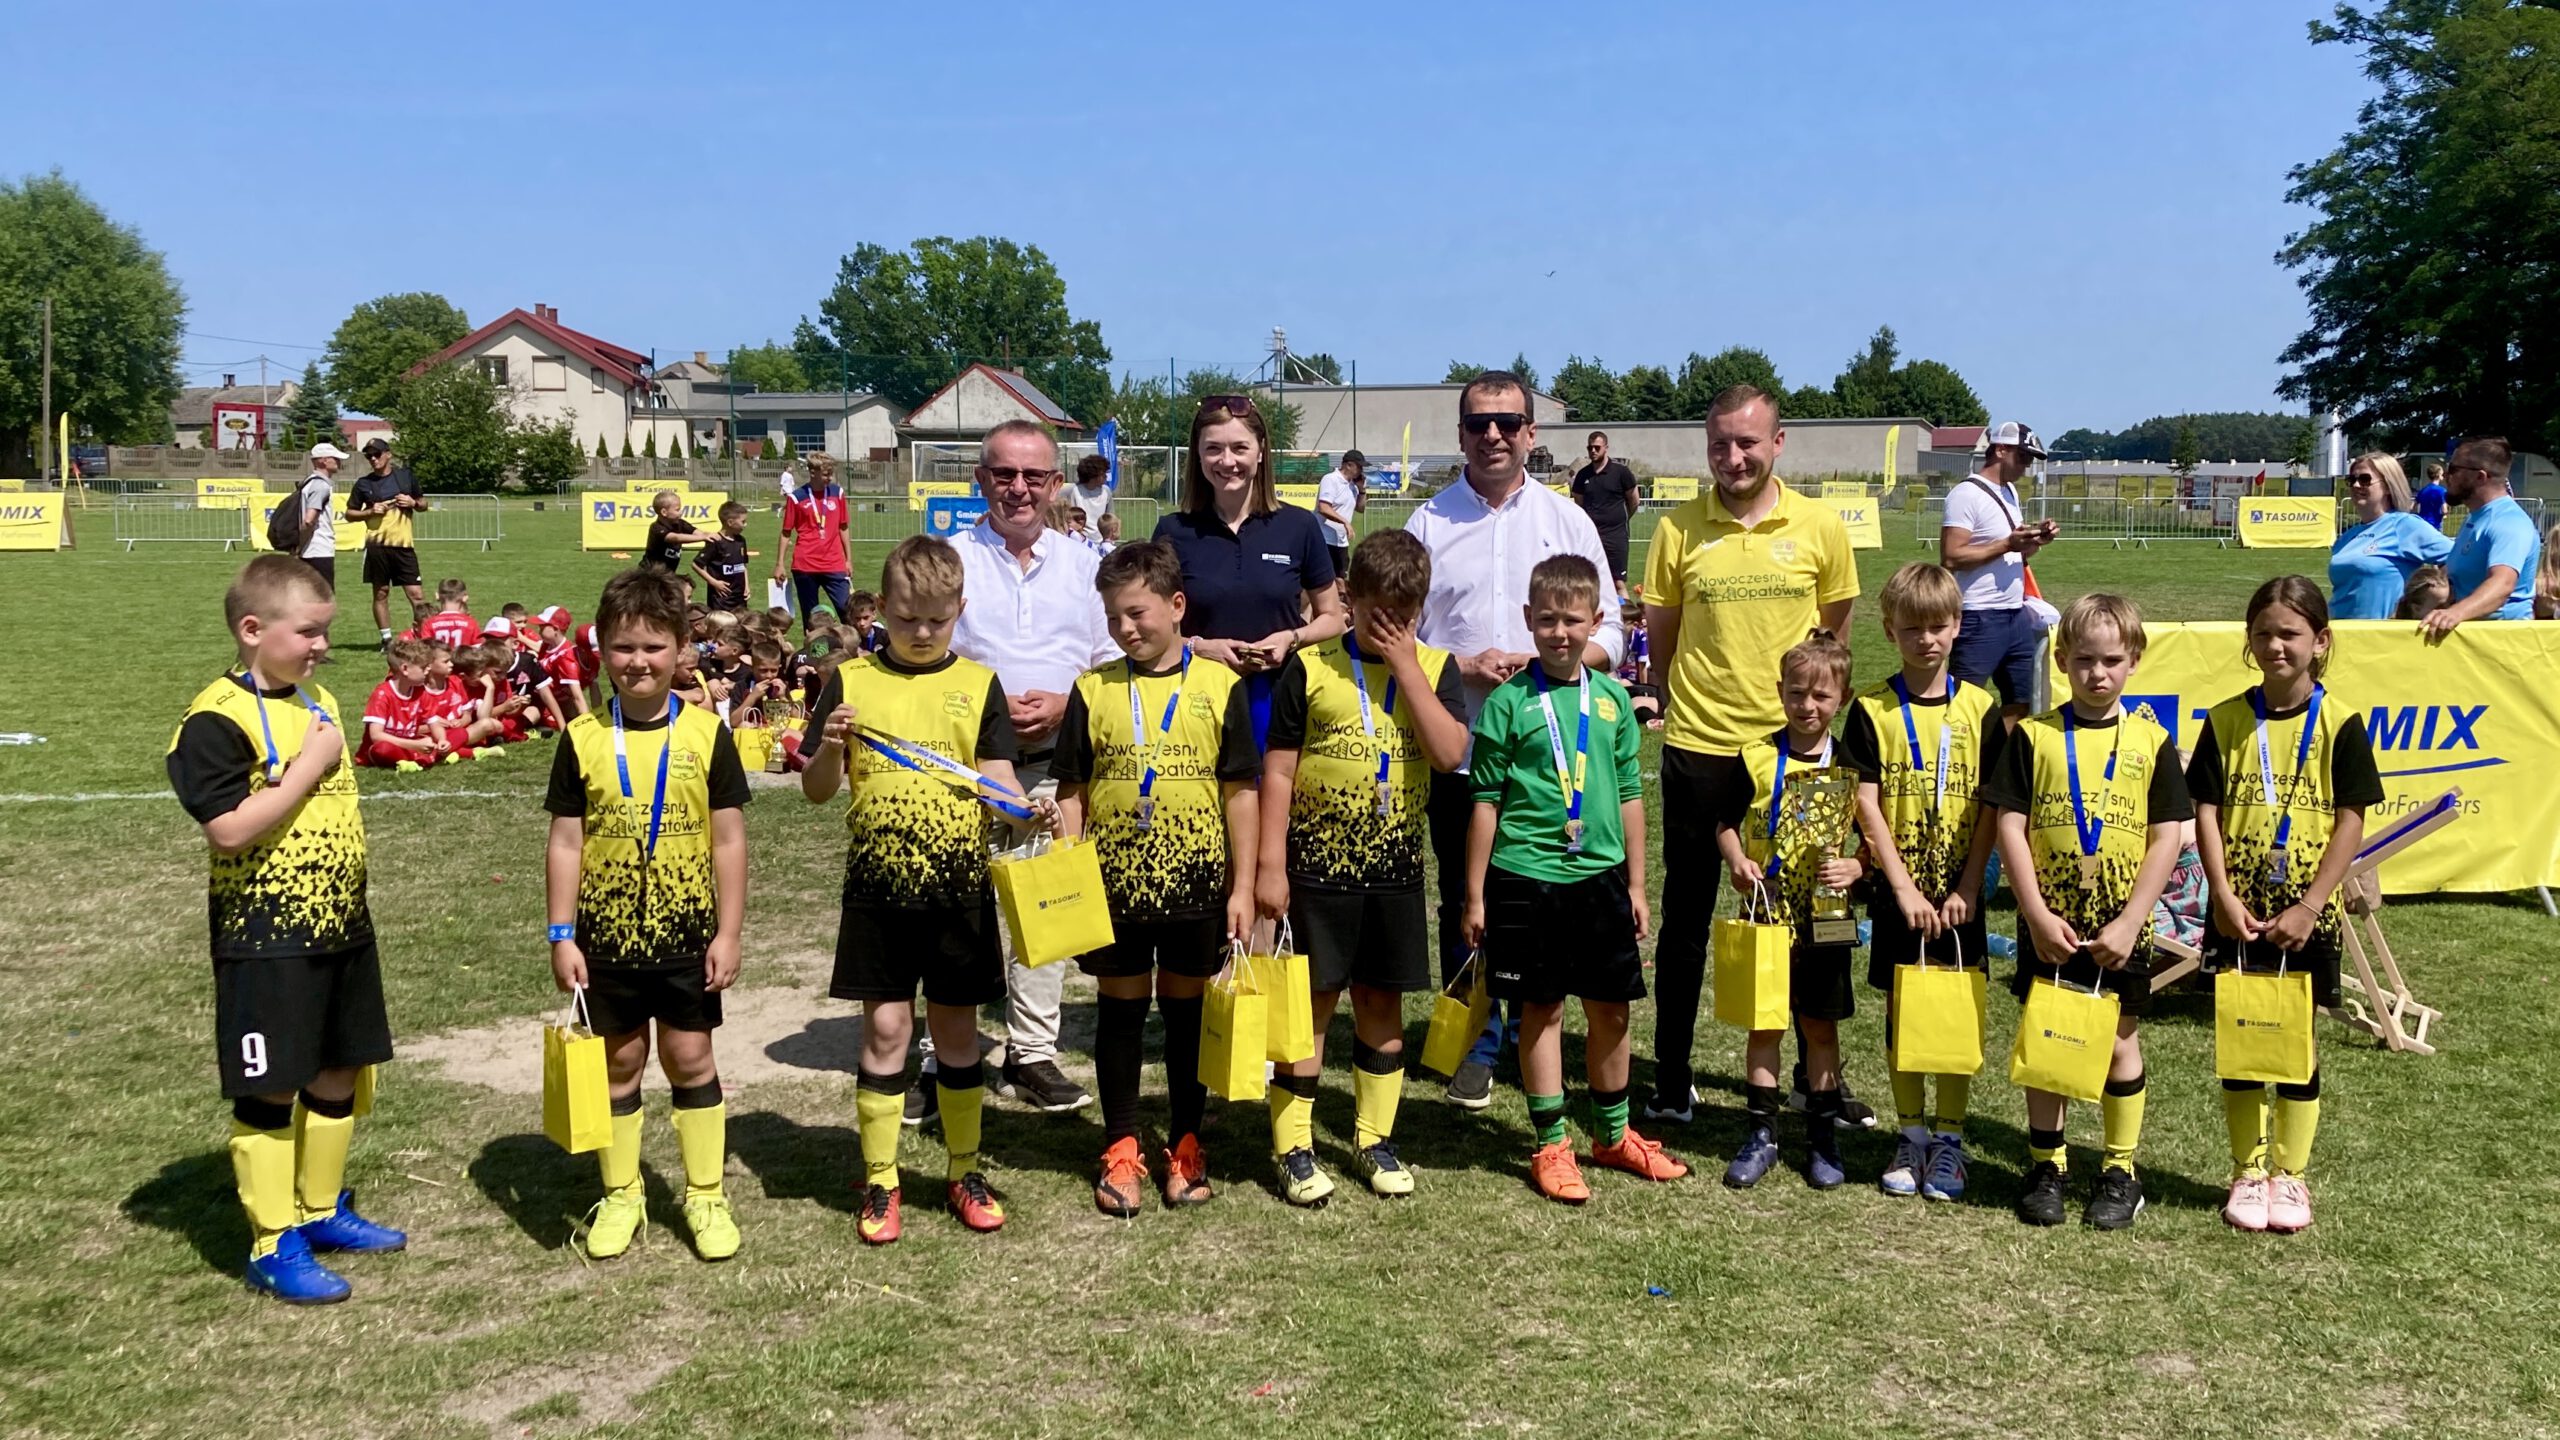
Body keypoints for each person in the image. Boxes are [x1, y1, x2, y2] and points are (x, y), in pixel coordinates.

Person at [165, 555, 404, 1304]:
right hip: (265, 936)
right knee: (271, 1088)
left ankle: (320, 1208)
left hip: (341, 924)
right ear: (251, 629)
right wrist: (307, 767)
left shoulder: (315, 698)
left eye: (325, 632)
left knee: (339, 1070)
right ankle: (273, 1242)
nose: (321, 647)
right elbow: (229, 829)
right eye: (308, 633)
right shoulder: (214, 719)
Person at [801, 535, 1053, 1245]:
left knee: (957, 1033)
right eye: (907, 618)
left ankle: (964, 1169)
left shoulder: (978, 683)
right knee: (886, 1031)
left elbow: (996, 780)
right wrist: (830, 745)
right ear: (881, 607)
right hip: (878, 893)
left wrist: (1028, 810)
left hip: (956, 894)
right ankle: (882, 1179)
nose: (920, 632)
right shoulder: (850, 681)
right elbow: (816, 791)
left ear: (959, 611)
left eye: (937, 621)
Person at [1405, 370, 1624, 1110]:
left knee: (1540, 895)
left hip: (1555, 761)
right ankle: (1475, 1037)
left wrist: (1547, 666)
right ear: (1460, 433)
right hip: (1460, 746)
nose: (1492, 435)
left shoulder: (1568, 521)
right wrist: (1460, 666)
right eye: (1478, 424)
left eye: (1507, 423)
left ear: (1531, 432)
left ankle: (1537, 1024)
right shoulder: (1428, 523)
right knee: (1461, 897)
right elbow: (1400, 638)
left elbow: (1611, 632)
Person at [1642, 384, 1858, 1124]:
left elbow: (1831, 641)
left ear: (1778, 443)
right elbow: (1663, 638)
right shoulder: (1676, 529)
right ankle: (1672, 1078)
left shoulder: (1821, 526)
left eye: (1747, 443)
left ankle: (1815, 1078)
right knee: (1687, 919)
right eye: (1719, 445)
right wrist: (1685, 701)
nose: (1733, 458)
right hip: (1701, 745)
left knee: (1815, 914)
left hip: (1795, 754)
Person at [1254, 529, 1469, 1204]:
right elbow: (1278, 771)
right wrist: (1269, 865)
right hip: (1315, 872)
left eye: (1404, 618)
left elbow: (1449, 753)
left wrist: (1406, 667)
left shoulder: (1435, 668)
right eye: (1378, 616)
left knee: (1380, 1003)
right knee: (1310, 1007)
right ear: (1350, 600)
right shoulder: (1311, 667)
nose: (1390, 629)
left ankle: (1374, 1139)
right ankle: (1293, 1146)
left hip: (1394, 874)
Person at [1463, 553, 1684, 1205]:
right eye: (1547, 620)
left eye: (1572, 620)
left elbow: (1631, 796)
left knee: (1611, 1007)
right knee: (1543, 1007)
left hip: (1600, 877)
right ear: (1529, 619)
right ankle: (1552, 1144)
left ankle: (1612, 1136)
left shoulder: (1611, 699)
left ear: (1596, 621)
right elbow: (1485, 803)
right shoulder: (1508, 703)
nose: (1560, 633)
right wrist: (1474, 894)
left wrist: (1637, 885)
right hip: (1525, 877)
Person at [543, 568, 750, 1262]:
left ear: (681, 650)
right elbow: (566, 842)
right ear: (602, 650)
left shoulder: (707, 734)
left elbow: (728, 839)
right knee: (619, 1064)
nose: (639, 661)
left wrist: (728, 932)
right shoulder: (581, 738)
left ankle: (706, 1194)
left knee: (690, 1058)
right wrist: (561, 934)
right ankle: (622, 1193)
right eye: (624, 647)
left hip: (688, 934)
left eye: (654, 647)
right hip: (605, 940)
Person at [1050, 541, 1261, 1215]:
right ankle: (1120, 1144)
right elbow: (1071, 791)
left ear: (1176, 606)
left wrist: (1243, 887)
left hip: (1197, 884)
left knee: (1185, 1014)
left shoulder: (1219, 687)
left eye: (1136, 613)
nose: (1125, 628)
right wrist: (1071, 870)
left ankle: (1186, 1143)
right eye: (1113, 616)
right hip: (1113, 888)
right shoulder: (1093, 690)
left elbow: (1241, 795)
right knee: (1119, 1012)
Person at [1981, 593, 2193, 1230]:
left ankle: (2120, 1170)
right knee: (2048, 1037)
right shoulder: (2034, 737)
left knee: (2120, 1041)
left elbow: (2167, 835)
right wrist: (2035, 914)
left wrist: (2131, 921)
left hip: (2121, 927)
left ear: (2134, 661)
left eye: (2111, 661)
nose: (2097, 674)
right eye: (2083, 661)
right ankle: (2047, 1166)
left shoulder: (2152, 741)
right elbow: (2010, 827)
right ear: (2061, 661)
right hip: (2050, 923)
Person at [934, 419, 1120, 1120]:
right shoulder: (949, 561)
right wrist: (988, 713)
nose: (1018, 488)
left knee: (1043, 911)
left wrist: (1069, 702)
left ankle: (1032, 1053)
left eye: (1033, 476)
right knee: (955, 917)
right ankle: (943, 1056)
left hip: (1050, 770)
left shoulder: (1085, 565)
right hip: (962, 773)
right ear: (980, 479)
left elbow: (1112, 663)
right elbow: (919, 657)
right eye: (1004, 474)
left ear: (1055, 484)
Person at [2188, 576, 2381, 1235]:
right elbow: (2206, 812)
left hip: (2304, 916)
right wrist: (2221, 893)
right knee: (2242, 1039)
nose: (2276, 645)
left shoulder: (2341, 723)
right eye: (2264, 633)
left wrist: (2311, 904)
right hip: (2237, 911)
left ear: (2320, 641)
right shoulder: (2224, 720)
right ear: (2249, 640)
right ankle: (2248, 1171)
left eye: (2290, 634)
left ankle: (2290, 1175)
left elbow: (2351, 820)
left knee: (2297, 1042)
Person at [1840, 563, 2003, 1201]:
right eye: (1912, 629)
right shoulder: (1871, 709)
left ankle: (1951, 1141)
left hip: (1960, 896)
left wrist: (1970, 886)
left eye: (1937, 626)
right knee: (1903, 1011)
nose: (1926, 640)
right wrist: (1902, 887)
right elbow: (1866, 803)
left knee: (1957, 1014)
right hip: (1899, 894)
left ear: (1958, 626)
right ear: (1890, 630)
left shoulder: (1981, 709)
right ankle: (1910, 1134)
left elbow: (1991, 808)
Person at [1712, 633, 1864, 1191]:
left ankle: (1822, 1139)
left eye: (1821, 696)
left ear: (1842, 698)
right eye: (1797, 693)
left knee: (1820, 1026)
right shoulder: (1755, 756)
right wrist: (1736, 860)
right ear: (1780, 691)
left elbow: (1876, 837)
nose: (1807, 705)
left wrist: (1858, 866)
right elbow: (1725, 824)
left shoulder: (1851, 762)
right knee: (1766, 1022)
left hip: (1827, 916)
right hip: (1766, 911)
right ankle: (1762, 1134)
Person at [1153, 394, 1346, 748]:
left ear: (1260, 451)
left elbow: (1333, 618)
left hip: (1280, 705)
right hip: (1197, 706)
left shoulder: (1298, 526)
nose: (1227, 461)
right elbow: (1153, 629)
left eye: (1239, 448)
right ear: (1198, 455)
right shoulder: (1173, 531)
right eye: (1213, 449)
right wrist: (1200, 647)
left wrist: (1291, 639)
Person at [1941, 421, 2058, 717]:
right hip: (1977, 614)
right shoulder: (1965, 494)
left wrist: (2037, 540)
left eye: (2030, 459)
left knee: (2023, 700)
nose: (2026, 466)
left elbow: (2014, 550)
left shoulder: (2010, 492)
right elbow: (1951, 556)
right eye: (2023, 456)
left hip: (2015, 613)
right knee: (1963, 705)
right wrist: (2007, 544)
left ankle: (2002, 749)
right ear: (2001, 450)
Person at [2426, 435, 2540, 635]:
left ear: (2480, 477)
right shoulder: (2477, 517)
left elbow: (2502, 584)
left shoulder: (2508, 522)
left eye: (2453, 469)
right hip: (2478, 640)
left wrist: (2454, 613)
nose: (2446, 475)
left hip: (2505, 641)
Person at [2328, 452, 2453, 620]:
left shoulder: (2404, 526)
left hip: (2383, 633)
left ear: (2388, 485)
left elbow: (2460, 560)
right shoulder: (2346, 538)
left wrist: (2442, 605)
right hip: (2340, 631)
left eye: (2365, 479)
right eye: (2352, 479)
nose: (2356, 485)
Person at [345, 440, 427, 648]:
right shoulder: (364, 484)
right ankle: (387, 640)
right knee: (381, 593)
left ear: (388, 454)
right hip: (377, 547)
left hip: (403, 546)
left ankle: (424, 637)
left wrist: (413, 503)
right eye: (368, 456)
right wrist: (370, 511)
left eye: (377, 454)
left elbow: (423, 503)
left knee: (416, 594)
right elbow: (349, 514)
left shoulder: (405, 477)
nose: (373, 459)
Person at [774, 453, 852, 630]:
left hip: (834, 563)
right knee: (811, 618)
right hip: (805, 565)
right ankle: (815, 647)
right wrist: (780, 564)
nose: (829, 478)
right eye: (825, 474)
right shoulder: (796, 497)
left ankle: (853, 645)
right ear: (812, 472)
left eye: (831, 474)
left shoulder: (837, 493)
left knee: (847, 610)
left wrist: (848, 560)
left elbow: (843, 527)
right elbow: (786, 533)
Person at [357, 640, 443, 768]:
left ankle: (417, 758)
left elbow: (434, 723)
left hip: (410, 743)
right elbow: (376, 736)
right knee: (382, 749)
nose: (428, 671)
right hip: (390, 746)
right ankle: (422, 758)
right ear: (405, 669)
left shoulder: (421, 691)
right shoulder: (382, 694)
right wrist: (415, 745)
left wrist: (442, 740)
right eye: (424, 667)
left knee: (457, 733)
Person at [1569, 431, 1641, 585]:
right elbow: (1579, 505)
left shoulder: (1621, 472)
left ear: (1606, 448)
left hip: (1616, 537)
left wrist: (1622, 519)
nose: (1593, 451)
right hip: (1591, 537)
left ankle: (1621, 602)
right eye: (1590, 448)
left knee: (1618, 584)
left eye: (1597, 447)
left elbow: (1634, 501)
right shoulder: (1582, 475)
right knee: (1588, 583)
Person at [291, 444, 344, 591]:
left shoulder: (309, 482)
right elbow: (309, 520)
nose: (339, 462)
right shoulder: (321, 486)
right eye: (335, 458)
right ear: (324, 460)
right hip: (318, 550)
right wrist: (300, 546)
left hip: (310, 550)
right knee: (324, 596)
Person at [1316, 449, 1367, 582]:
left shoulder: (1353, 486)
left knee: (1341, 580)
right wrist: (1345, 522)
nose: (1361, 471)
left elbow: (1360, 509)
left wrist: (1362, 490)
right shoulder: (1331, 479)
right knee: (1324, 581)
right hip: (1324, 539)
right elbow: (1324, 507)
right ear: (1348, 465)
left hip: (1341, 541)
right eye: (1359, 467)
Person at [696, 502, 753, 613]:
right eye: (743, 522)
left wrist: (746, 585)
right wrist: (714, 583)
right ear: (730, 522)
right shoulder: (716, 541)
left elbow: (743, 565)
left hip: (739, 597)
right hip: (721, 599)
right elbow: (696, 565)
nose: (745, 525)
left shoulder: (741, 540)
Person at [420, 579, 481, 650]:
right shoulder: (471, 623)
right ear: (465, 597)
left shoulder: (429, 624)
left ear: (437, 596)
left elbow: (425, 651)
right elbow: (478, 649)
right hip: (462, 657)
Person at [1068, 452, 1115, 528]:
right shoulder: (1073, 491)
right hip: (1079, 534)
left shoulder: (1106, 491)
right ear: (1093, 474)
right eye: (1103, 473)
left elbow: (1110, 518)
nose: (1106, 476)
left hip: (1101, 535)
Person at [2415, 462, 2448, 530]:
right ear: (2439, 475)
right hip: (2435, 523)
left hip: (2423, 523)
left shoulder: (2423, 491)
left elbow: (2414, 507)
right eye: (2442, 474)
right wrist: (2445, 514)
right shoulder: (2442, 491)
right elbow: (2444, 510)